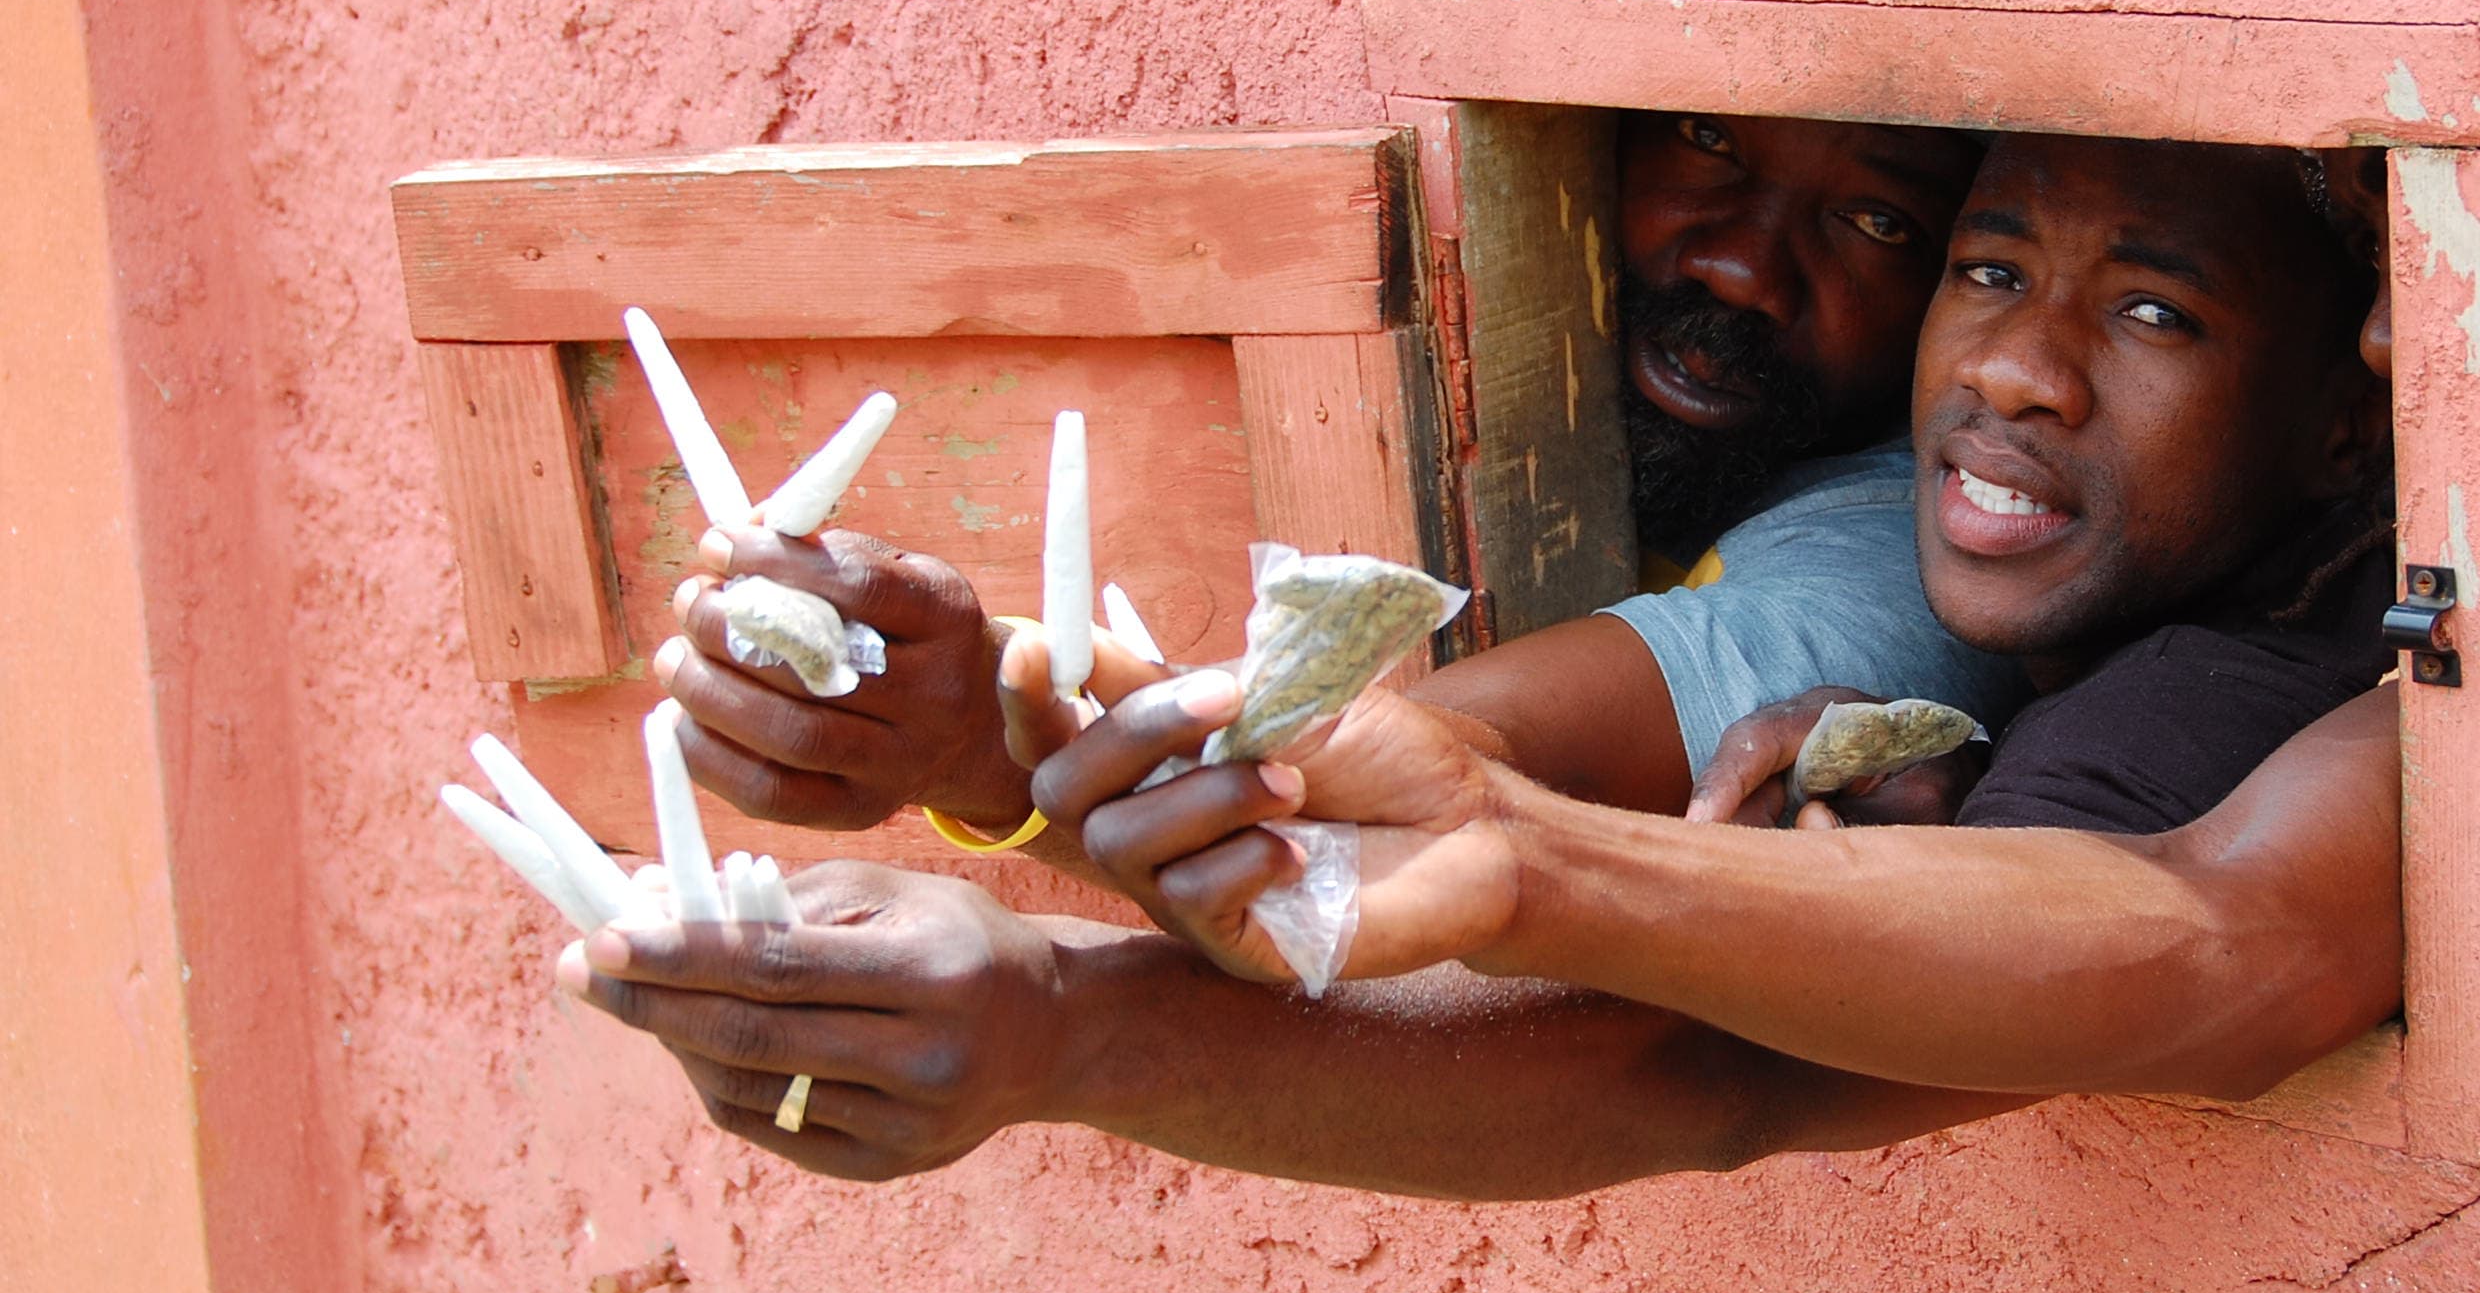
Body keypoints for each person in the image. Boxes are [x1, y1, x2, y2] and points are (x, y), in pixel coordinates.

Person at [562, 134, 2413, 1193]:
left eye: (2157, 312)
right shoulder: (1950, 534)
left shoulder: (2262, 679)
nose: (2013, 367)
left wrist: (1522, 871)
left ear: (2358, 417)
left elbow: (2209, 950)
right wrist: (985, 754)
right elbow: (1409, 794)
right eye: (1988, 272)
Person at [657, 110, 2012, 830]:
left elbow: (1444, 766)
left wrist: (989, 744)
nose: (1739, 260)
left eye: (1876, 219)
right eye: (1707, 144)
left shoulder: (1906, 553)